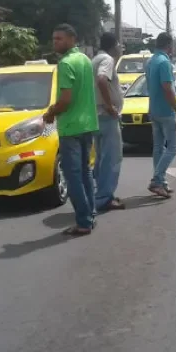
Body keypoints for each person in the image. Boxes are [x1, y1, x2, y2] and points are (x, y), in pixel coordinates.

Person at [43, 24, 99, 236]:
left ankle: (83, 221)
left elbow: (65, 99)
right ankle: (90, 215)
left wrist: (50, 113)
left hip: (71, 128)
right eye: (54, 39)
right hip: (88, 125)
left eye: (59, 39)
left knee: (73, 175)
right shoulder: (84, 60)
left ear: (72, 39)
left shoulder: (65, 64)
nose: (55, 42)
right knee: (85, 173)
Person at [146, 32, 176, 197]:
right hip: (166, 111)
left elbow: (150, 87)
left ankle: (161, 183)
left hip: (154, 110)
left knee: (158, 148)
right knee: (174, 147)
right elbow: (167, 89)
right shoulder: (164, 63)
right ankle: (157, 179)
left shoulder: (150, 61)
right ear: (169, 45)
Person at [92, 32, 125, 212]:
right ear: (113, 45)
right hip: (106, 115)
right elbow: (102, 80)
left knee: (101, 157)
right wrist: (110, 105)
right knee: (112, 158)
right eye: (119, 45)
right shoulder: (107, 60)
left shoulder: (95, 59)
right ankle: (104, 198)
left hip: (96, 115)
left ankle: (101, 193)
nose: (120, 49)